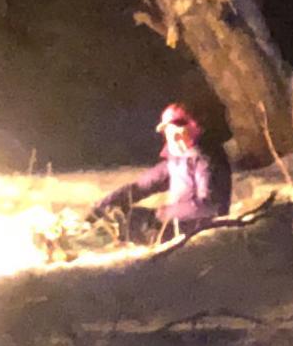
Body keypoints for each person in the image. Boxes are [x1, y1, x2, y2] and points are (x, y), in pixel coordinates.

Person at [93, 100, 232, 245]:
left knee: (138, 221)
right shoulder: (178, 160)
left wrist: (163, 214)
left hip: (198, 234)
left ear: (194, 127)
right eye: (170, 131)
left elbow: (210, 206)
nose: (175, 136)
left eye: (180, 128)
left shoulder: (207, 159)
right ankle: (92, 238)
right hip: (176, 225)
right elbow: (140, 187)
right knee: (123, 217)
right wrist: (103, 206)